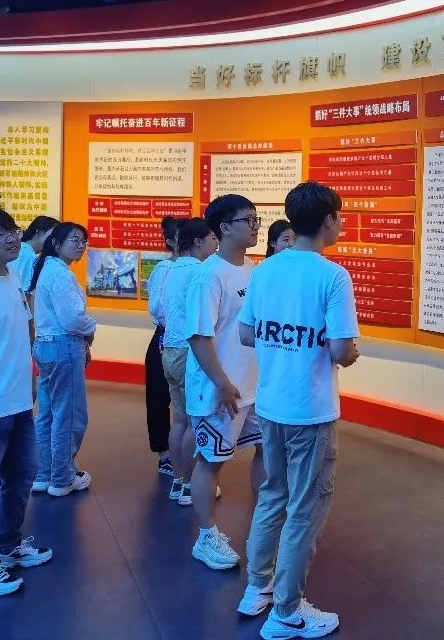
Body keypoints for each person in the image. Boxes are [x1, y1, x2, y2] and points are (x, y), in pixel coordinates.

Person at [237, 182, 359, 638]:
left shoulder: (265, 271)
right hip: (310, 410)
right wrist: (349, 352)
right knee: (305, 507)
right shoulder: (332, 277)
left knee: (273, 494)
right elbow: (342, 349)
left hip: (271, 404)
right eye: (339, 216)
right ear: (327, 220)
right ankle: (287, 611)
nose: (340, 224)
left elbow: (246, 334)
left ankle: (257, 587)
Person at [0, 206, 52, 598]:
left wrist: (31, 382)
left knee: (21, 476)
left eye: (12, 230)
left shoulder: (13, 275)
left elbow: (23, 332)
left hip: (18, 403)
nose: (10, 238)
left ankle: (7, 545)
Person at [185, 195, 264, 570]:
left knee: (267, 452)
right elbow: (199, 336)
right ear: (225, 227)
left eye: (256, 219)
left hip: (253, 387)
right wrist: (221, 382)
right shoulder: (208, 275)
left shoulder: (252, 269)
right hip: (219, 391)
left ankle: (265, 521)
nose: (255, 226)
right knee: (210, 462)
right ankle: (206, 536)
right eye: (248, 219)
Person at [28, 222, 96, 497]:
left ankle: (43, 474)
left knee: (47, 414)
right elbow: (73, 319)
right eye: (74, 240)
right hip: (63, 346)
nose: (80, 245)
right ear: (56, 244)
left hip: (45, 345)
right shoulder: (59, 273)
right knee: (69, 415)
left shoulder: (45, 268)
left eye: (83, 241)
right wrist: (91, 328)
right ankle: (62, 478)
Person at [160, 218, 218, 507]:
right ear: (197, 242)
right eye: (212, 238)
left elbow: (158, 310)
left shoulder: (170, 269)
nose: (216, 244)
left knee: (179, 420)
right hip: (189, 352)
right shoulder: (200, 270)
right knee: (196, 421)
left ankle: (177, 481)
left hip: (169, 349)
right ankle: (188, 485)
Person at [146, 217, 182, 477]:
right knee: (160, 397)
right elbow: (158, 308)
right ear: (170, 241)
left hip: (187, 339)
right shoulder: (164, 269)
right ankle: (164, 454)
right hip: (167, 336)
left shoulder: (198, 267)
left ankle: (186, 451)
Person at [13, 216, 58, 293]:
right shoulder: (28, 255)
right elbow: (22, 290)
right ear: (39, 232)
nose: (55, 240)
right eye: (53, 235)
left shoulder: (23, 249)